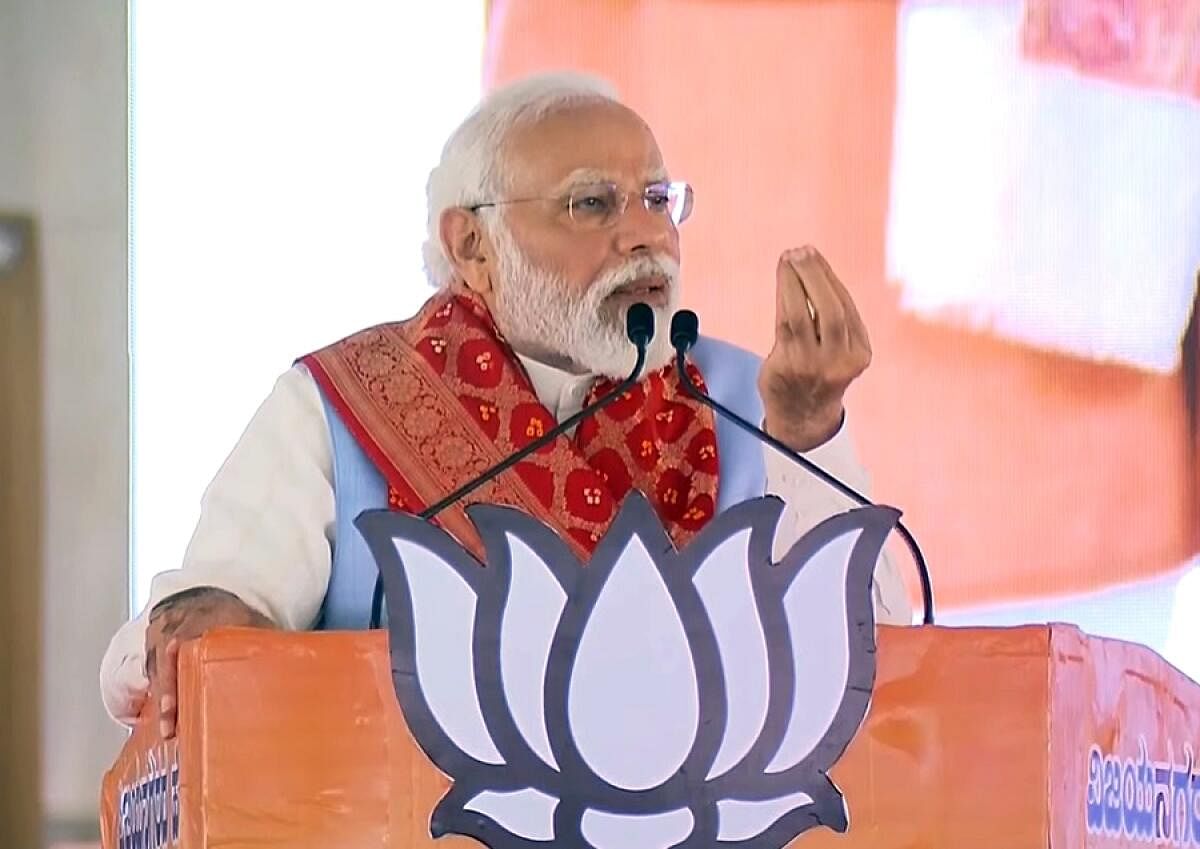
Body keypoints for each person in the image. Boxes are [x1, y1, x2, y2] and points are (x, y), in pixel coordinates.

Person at [100, 72, 913, 739]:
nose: (645, 237)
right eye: (591, 204)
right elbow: (175, 642)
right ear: (471, 247)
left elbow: (887, 662)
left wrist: (809, 436)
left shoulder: (754, 401)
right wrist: (195, 626)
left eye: (658, 199)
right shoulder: (344, 406)